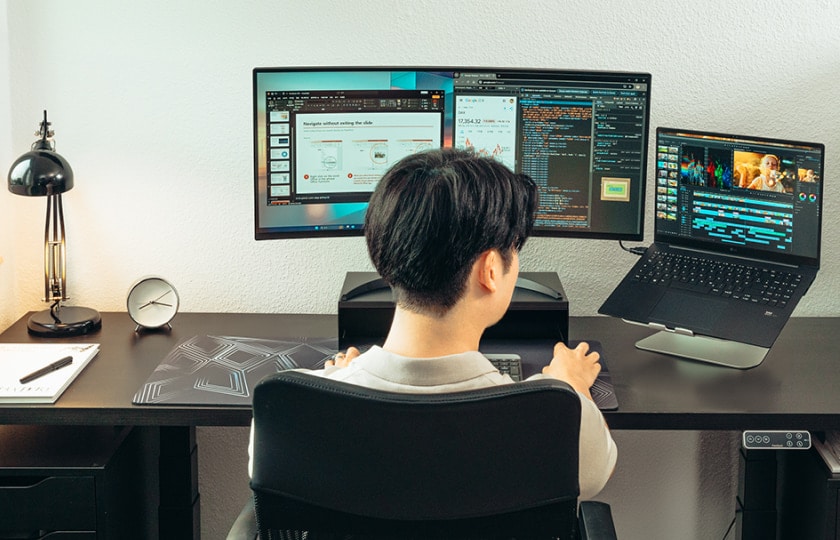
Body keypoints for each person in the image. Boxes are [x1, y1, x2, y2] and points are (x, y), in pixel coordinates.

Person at [248, 147, 616, 500]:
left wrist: (341, 379)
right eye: (514, 249)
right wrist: (570, 386)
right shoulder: (556, 414)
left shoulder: (289, 407)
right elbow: (593, 476)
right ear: (490, 270)